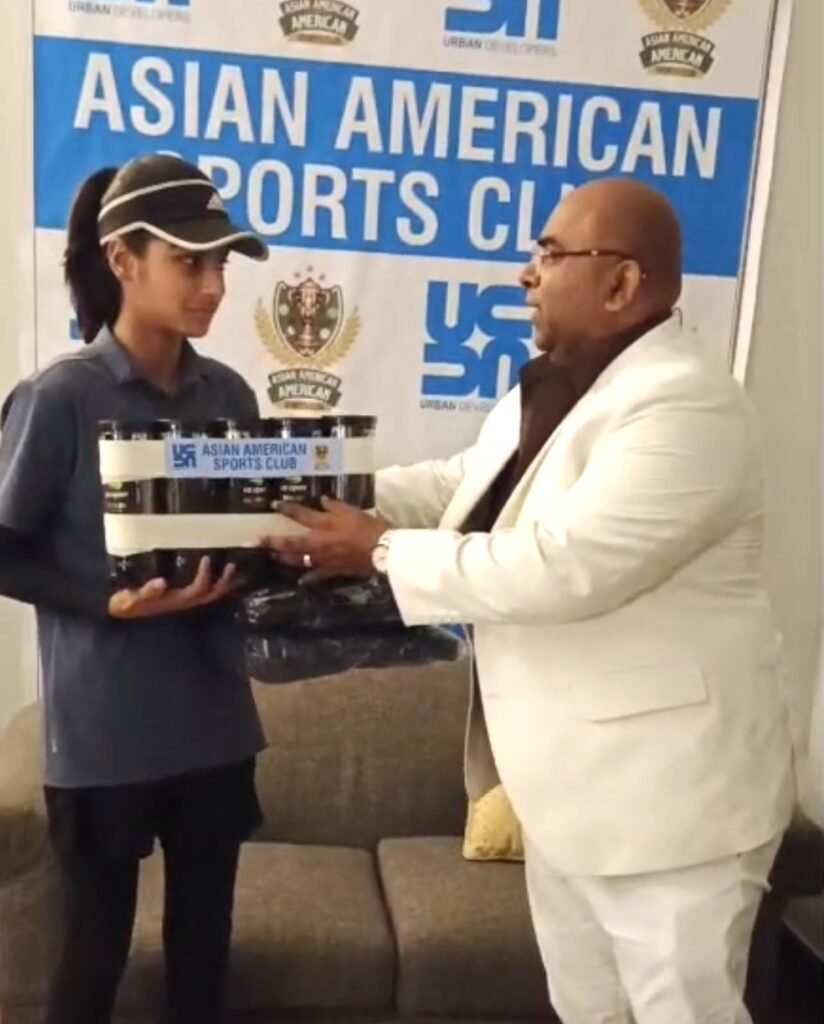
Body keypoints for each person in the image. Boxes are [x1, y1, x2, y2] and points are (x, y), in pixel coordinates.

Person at [266, 179, 797, 1024]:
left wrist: (379, 550)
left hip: (671, 809)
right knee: (588, 1009)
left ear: (621, 282)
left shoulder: (687, 405)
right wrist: (320, 493)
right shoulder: (552, 388)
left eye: (550, 254)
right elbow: (458, 487)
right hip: (567, 795)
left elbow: (565, 567)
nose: (526, 274)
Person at [0, 154, 269, 1024]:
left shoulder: (230, 396)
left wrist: (286, 556)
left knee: (203, 946)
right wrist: (112, 601)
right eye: (190, 262)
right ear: (121, 260)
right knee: (94, 949)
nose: (213, 286)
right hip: (103, 731)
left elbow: (244, 543)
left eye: (221, 265)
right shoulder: (58, 398)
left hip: (215, 720)